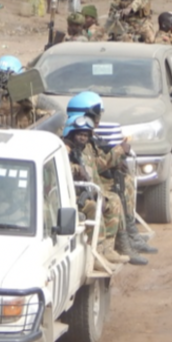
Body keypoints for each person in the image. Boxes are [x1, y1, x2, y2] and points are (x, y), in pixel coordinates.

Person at [66, 92, 153, 260]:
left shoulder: (87, 139)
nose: (98, 119)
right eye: (94, 115)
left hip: (93, 183)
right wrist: (119, 151)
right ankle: (119, 243)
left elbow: (95, 162)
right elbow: (90, 165)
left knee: (123, 179)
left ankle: (126, 236)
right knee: (112, 198)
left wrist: (117, 158)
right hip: (82, 190)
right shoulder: (70, 142)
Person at [63, 114, 129, 268]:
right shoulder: (65, 150)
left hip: (90, 191)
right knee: (94, 207)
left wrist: (118, 155)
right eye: (80, 135)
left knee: (113, 200)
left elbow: (98, 165)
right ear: (71, 134)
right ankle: (97, 253)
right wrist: (76, 168)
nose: (83, 138)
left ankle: (107, 249)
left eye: (86, 135)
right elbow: (63, 168)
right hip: (72, 197)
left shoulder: (86, 149)